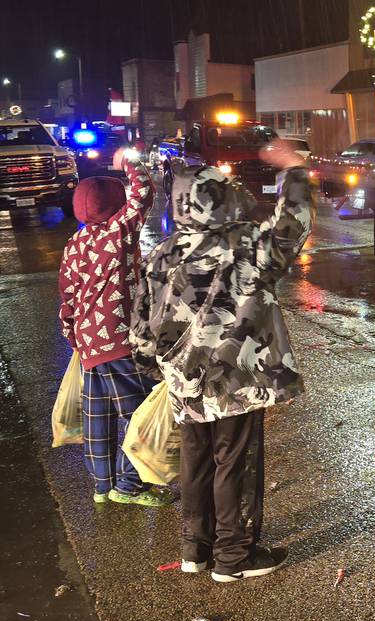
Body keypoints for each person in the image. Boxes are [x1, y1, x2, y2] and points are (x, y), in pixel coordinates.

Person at [130, 140, 314, 583]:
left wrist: (153, 368)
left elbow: (141, 323)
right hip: (238, 380)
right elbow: (291, 227)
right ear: (222, 200)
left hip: (185, 381)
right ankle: (234, 556)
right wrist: (293, 171)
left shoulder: (164, 254)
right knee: (235, 461)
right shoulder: (246, 245)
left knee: (196, 459)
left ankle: (197, 548)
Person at [58, 147, 172, 507]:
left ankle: (102, 485)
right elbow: (144, 195)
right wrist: (132, 163)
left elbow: (68, 295)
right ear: (115, 205)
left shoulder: (74, 244)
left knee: (98, 416)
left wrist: (73, 336)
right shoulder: (118, 233)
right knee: (140, 413)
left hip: (89, 344)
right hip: (121, 341)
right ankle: (128, 484)